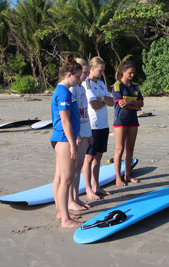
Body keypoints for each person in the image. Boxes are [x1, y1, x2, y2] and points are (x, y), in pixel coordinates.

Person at [50, 55, 82, 228]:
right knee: (67, 179)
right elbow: (65, 120)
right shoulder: (63, 92)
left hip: (61, 139)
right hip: (63, 139)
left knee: (61, 177)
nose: (79, 79)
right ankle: (65, 219)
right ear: (69, 74)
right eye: (77, 76)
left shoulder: (65, 91)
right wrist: (72, 142)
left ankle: (60, 212)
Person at [82, 57, 113, 200]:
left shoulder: (101, 83)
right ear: (92, 68)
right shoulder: (86, 83)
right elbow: (93, 104)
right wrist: (102, 100)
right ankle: (88, 188)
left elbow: (111, 102)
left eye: (103, 70)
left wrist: (101, 99)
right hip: (92, 125)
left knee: (99, 156)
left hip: (103, 124)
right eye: (100, 70)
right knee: (89, 157)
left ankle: (96, 186)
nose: (102, 73)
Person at [112, 60, 144, 186]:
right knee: (119, 149)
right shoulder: (117, 86)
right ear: (123, 72)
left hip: (133, 121)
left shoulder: (135, 86)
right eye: (130, 73)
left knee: (130, 149)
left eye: (133, 73)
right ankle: (118, 178)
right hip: (120, 121)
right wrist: (135, 106)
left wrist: (131, 103)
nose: (132, 75)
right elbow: (121, 105)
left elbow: (141, 103)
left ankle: (128, 175)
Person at [68, 58, 93, 211]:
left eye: (86, 72)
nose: (84, 75)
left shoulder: (82, 88)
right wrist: (76, 136)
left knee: (79, 167)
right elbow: (71, 115)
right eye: (83, 72)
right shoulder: (71, 89)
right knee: (72, 168)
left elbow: (85, 113)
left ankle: (76, 197)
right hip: (76, 134)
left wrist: (88, 133)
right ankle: (70, 200)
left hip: (85, 131)